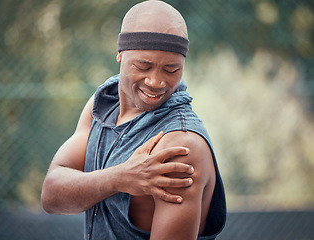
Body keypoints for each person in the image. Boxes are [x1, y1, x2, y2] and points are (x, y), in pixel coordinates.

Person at [41, 1, 226, 239]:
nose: (156, 82)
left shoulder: (180, 146)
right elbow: (52, 196)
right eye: (143, 66)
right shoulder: (103, 105)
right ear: (120, 54)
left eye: (171, 70)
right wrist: (118, 178)